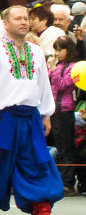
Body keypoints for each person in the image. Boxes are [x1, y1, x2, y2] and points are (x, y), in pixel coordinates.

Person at [0, 5, 64, 215]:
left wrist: (46, 114)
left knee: (37, 162)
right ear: (5, 24)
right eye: (18, 18)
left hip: (30, 116)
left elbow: (43, 85)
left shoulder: (36, 50)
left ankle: (42, 212)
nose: (23, 22)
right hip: (3, 118)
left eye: (25, 18)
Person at [47, 35, 78, 194]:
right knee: (58, 147)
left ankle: (68, 182)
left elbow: (63, 85)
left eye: (61, 49)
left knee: (67, 147)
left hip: (65, 110)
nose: (57, 53)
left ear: (69, 50)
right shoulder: (56, 65)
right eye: (56, 49)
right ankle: (59, 180)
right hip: (53, 110)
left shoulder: (73, 67)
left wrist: (53, 69)